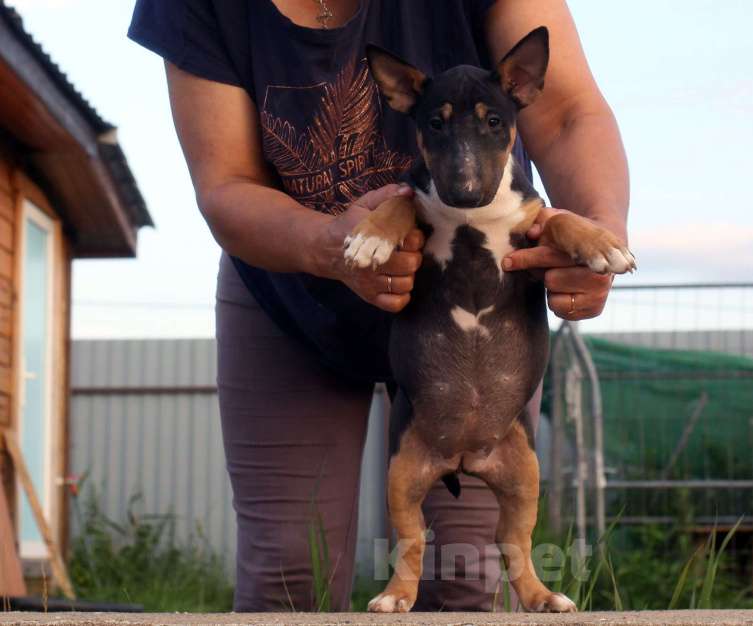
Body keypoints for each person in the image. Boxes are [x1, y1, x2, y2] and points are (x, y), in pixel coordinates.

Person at [128, 0, 629, 612]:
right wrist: (327, 246)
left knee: (465, 578)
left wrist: (597, 233)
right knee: (288, 574)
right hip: (293, 291)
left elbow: (570, 114)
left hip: (481, 303)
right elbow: (226, 181)